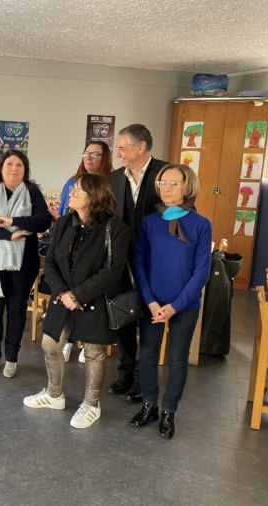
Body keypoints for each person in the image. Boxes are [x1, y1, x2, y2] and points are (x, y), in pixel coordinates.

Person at [23, 174, 129, 428]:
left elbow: (112, 271)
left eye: (78, 190)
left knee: (93, 353)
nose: (71, 193)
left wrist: (78, 295)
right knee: (50, 344)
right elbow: (50, 262)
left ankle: (92, 405)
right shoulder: (64, 223)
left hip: (94, 299)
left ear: (94, 196)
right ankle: (54, 394)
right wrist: (63, 293)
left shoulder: (115, 228)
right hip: (63, 297)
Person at [129, 164, 211, 439]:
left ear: (187, 187)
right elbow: (139, 262)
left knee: (177, 359)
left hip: (184, 305)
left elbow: (202, 271)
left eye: (174, 183)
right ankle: (149, 404)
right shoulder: (150, 222)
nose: (166, 188)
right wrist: (150, 301)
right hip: (152, 302)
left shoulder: (201, 224)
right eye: (162, 183)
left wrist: (176, 305)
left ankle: (168, 410)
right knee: (147, 354)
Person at [0, 150, 50, 378]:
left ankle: (12, 359)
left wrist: (12, 221)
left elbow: (43, 220)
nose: (14, 169)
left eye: (19, 165)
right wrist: (10, 235)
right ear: (1, 168)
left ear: (25, 169)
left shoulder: (32, 192)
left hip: (23, 262)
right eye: (9, 164)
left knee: (16, 310)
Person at [108, 124, 168, 403]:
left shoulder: (166, 174)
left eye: (122, 147)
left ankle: (144, 379)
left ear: (140, 146)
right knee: (123, 316)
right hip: (121, 262)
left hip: (155, 264)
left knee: (148, 321)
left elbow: (181, 212)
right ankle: (125, 373)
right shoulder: (114, 178)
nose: (118, 153)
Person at [56, 140, 113, 363]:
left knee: (89, 294)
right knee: (71, 289)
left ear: (105, 158)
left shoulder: (111, 182)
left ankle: (88, 342)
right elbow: (63, 213)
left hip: (97, 255)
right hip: (73, 248)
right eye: (86, 153)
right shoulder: (72, 181)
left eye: (95, 154)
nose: (88, 158)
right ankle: (69, 340)